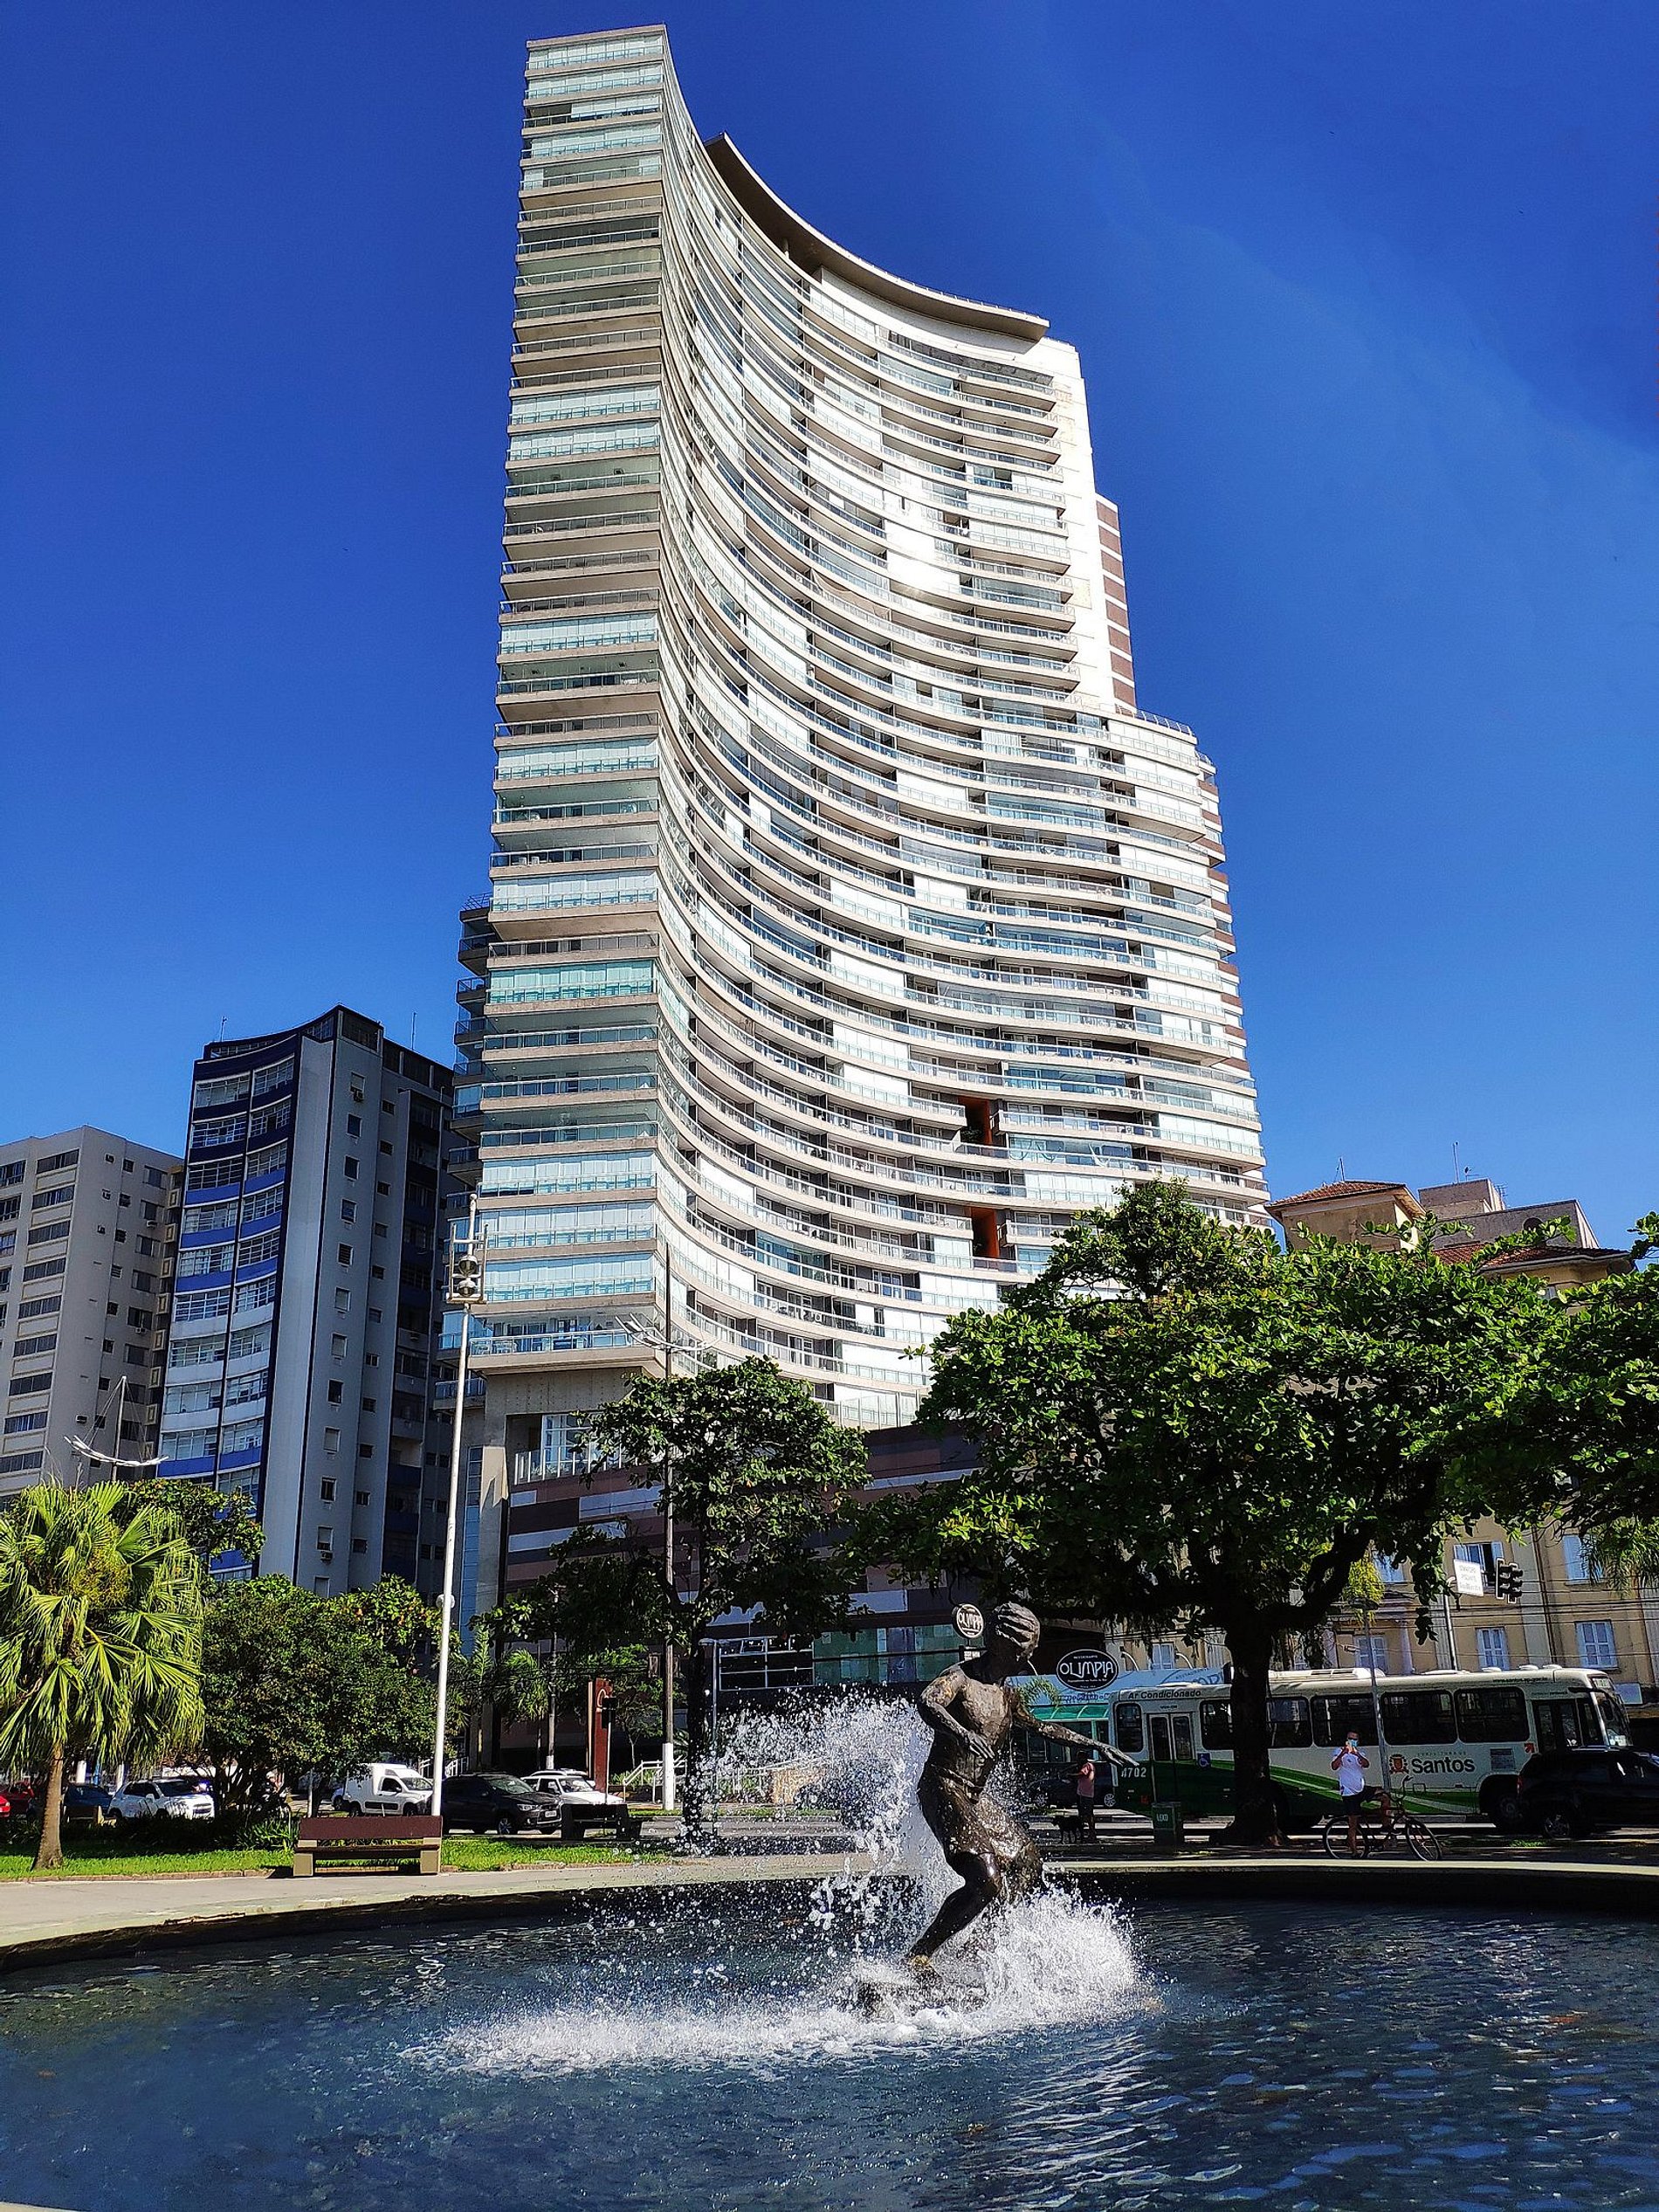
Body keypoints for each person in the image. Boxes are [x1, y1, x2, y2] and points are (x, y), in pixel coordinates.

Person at [906, 1602, 1119, 1975]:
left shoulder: (1007, 1695)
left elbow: (1043, 1728)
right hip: (943, 1785)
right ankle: (920, 1955)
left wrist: (1094, 1744)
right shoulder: (961, 1678)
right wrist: (962, 1733)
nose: (1030, 1656)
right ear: (1005, 1645)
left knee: (1027, 1862)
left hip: (974, 1796)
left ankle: (980, 1942)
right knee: (986, 1881)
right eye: (1026, 1648)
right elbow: (927, 1702)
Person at [1332, 1731, 1370, 1853]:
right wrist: (1343, 1753)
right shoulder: (1339, 1751)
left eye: (1355, 1739)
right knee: (1353, 1823)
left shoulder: (1360, 1753)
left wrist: (1356, 1754)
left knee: (1384, 1796)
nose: (1352, 1741)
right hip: (1349, 1792)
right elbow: (1334, 1766)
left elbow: (1366, 1764)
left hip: (1361, 1788)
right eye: (1350, 1738)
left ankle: (1386, 1826)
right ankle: (1354, 1851)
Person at [1074, 1751, 1098, 1841]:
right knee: (1084, 1814)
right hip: (1083, 1793)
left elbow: (1081, 1775)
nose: (1077, 1760)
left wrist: (1071, 1775)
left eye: (1079, 1758)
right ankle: (1086, 1833)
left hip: (1085, 1794)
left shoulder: (1087, 1766)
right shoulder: (1087, 1766)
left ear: (1083, 1758)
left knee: (1088, 1814)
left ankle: (1091, 1834)